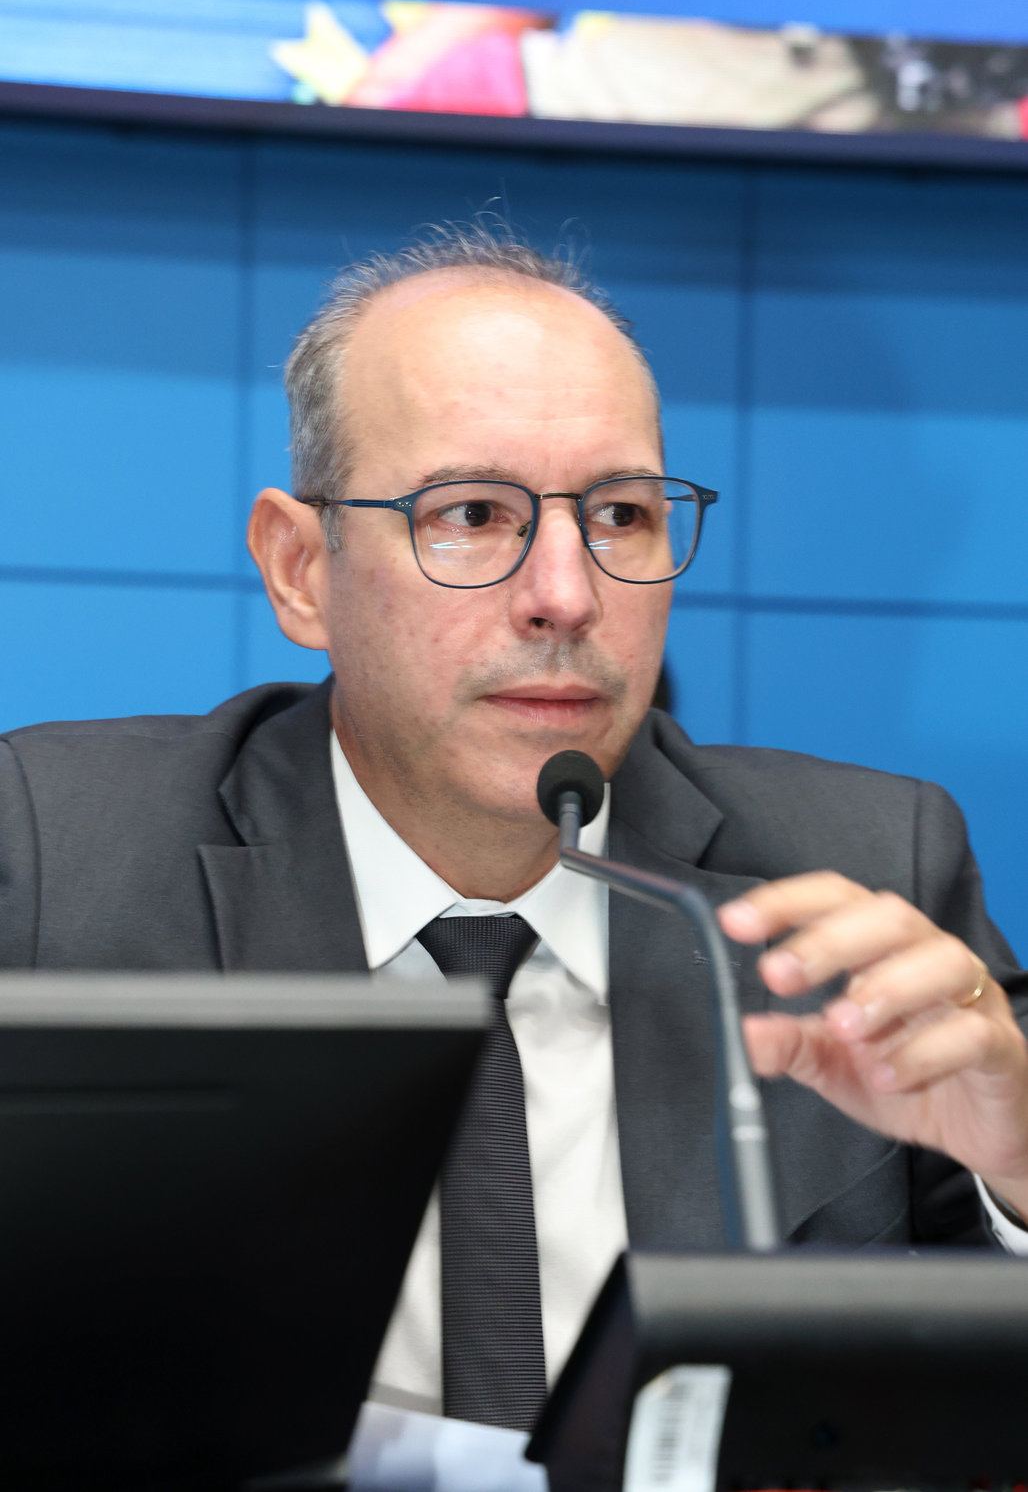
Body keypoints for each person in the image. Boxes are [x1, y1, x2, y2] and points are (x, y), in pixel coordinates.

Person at [2, 228, 1027, 1434]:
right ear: (300, 570)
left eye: (620, 515)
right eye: (473, 513)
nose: (565, 595)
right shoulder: (52, 862)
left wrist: (1019, 1167)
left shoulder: (860, 871)